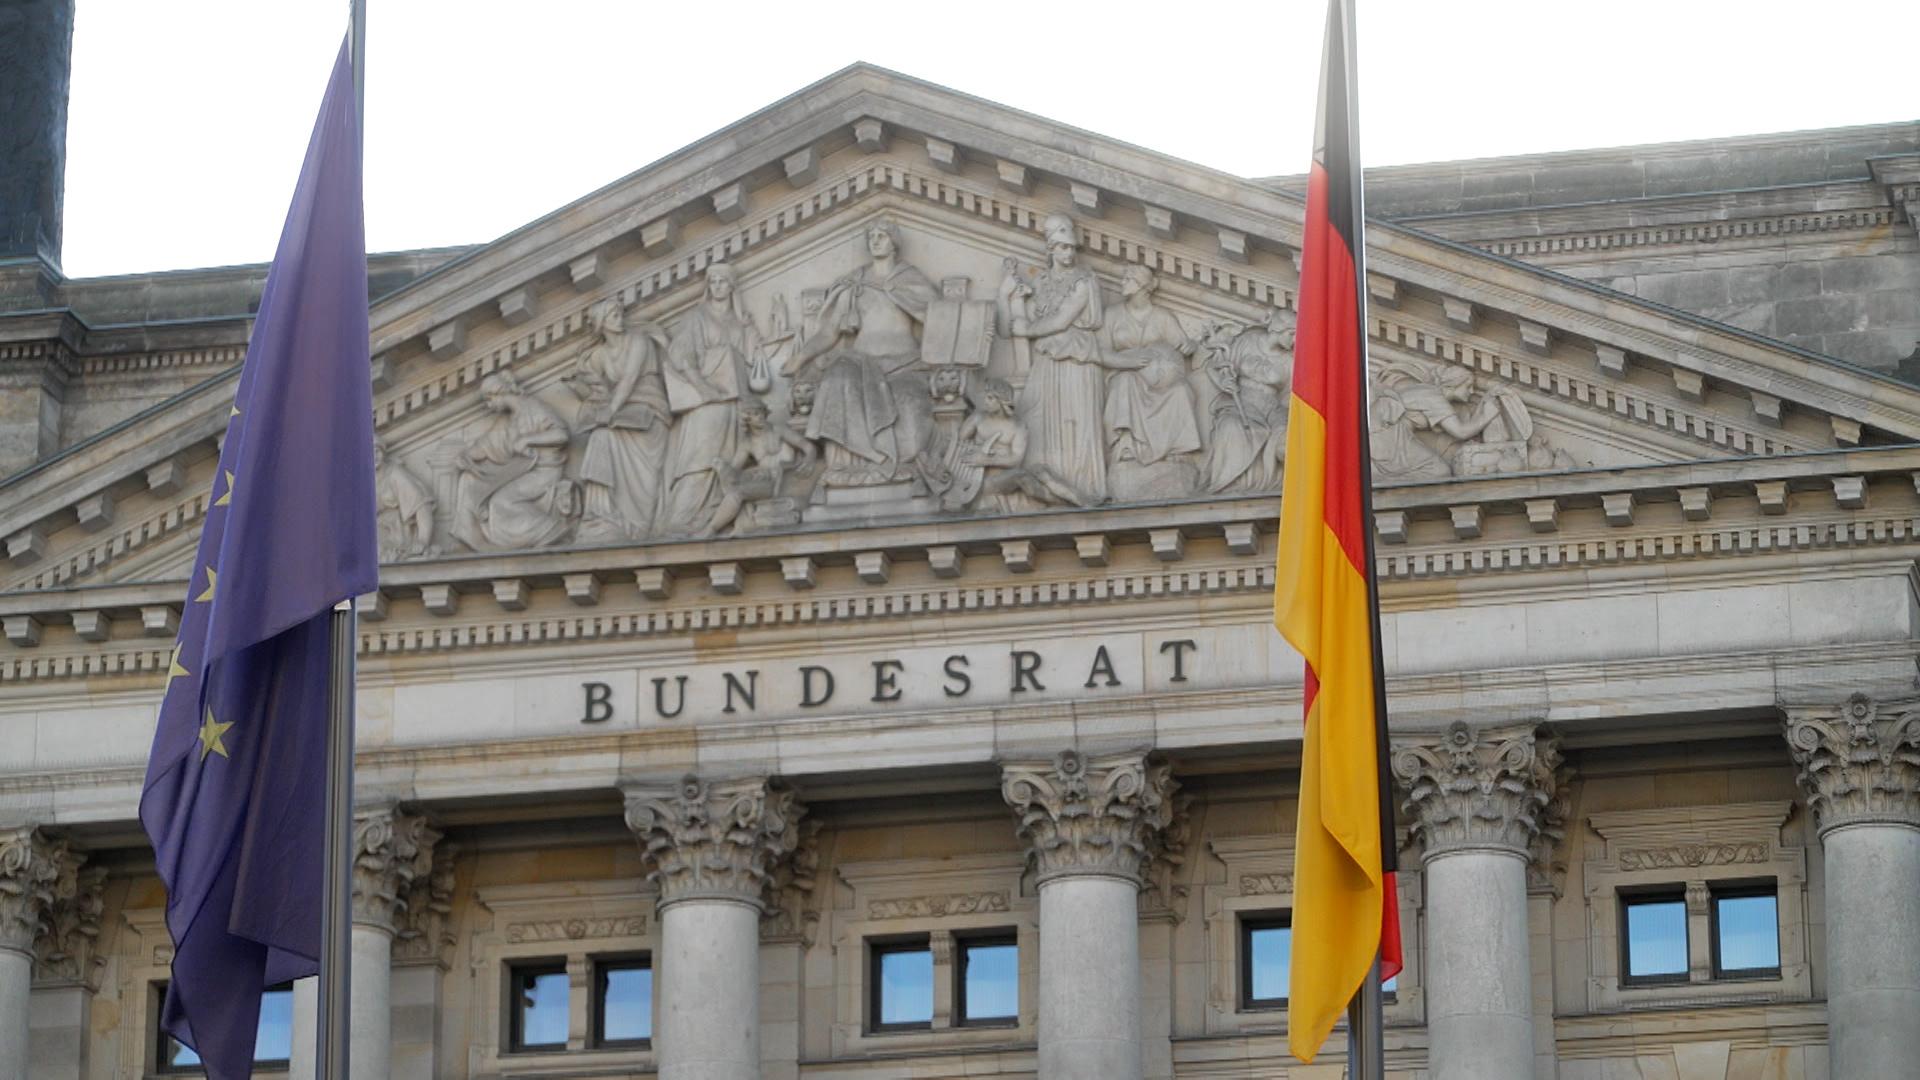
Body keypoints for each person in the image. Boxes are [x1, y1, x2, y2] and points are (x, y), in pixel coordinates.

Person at [787, 218, 939, 487]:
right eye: (872, 236)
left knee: (911, 407)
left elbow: (941, 320)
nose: (875, 241)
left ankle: (893, 463)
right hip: (860, 363)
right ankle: (846, 467)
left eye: (882, 236)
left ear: (894, 243)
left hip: (905, 366)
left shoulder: (910, 279)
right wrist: (800, 358)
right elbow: (828, 332)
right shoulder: (853, 284)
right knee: (836, 378)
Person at [1005, 214, 1122, 505]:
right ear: (1051, 249)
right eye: (1063, 247)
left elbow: (1061, 320)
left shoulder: (1085, 280)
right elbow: (1024, 320)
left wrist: (1027, 329)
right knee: (1039, 417)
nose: (1069, 253)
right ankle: (1046, 483)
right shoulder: (1041, 281)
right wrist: (1012, 296)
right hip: (1048, 359)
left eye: (1071, 247)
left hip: (1076, 359)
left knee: (1076, 421)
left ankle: (1086, 488)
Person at [659, 264, 757, 533]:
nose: (717, 286)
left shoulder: (738, 320)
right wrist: (704, 389)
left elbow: (752, 360)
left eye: (722, 281)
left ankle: (714, 515)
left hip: (734, 403)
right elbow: (681, 356)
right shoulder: (696, 316)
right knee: (700, 459)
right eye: (712, 281)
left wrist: (749, 330)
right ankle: (681, 521)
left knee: (726, 462)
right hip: (706, 403)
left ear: (732, 285)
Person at [567, 299, 670, 542]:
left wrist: (610, 410)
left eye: (619, 313)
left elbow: (629, 378)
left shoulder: (638, 340)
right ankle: (601, 515)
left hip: (649, 412)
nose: (619, 318)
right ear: (601, 323)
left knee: (644, 475)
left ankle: (639, 524)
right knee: (600, 437)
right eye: (613, 315)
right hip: (621, 417)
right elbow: (597, 391)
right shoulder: (600, 355)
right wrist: (582, 387)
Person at [450, 372, 575, 550]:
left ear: (499, 393)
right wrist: (467, 456)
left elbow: (561, 434)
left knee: (501, 502)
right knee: (469, 479)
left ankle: (550, 531)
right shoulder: (508, 419)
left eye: (489, 400)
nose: (488, 406)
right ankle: (472, 535)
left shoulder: (534, 408)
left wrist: (528, 440)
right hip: (521, 470)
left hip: (544, 472)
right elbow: (489, 443)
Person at [1101, 265, 1203, 472]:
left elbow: (1183, 344)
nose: (1122, 282)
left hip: (1159, 379)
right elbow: (1100, 352)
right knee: (1126, 381)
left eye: (1128, 279)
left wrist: (1190, 346)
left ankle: (1176, 450)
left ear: (1142, 286)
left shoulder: (1162, 316)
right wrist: (1128, 362)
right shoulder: (1112, 315)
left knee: (1181, 391)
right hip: (1124, 373)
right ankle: (1126, 445)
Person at [1203, 308, 1294, 494]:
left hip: (1273, 409)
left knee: (1289, 439)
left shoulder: (1290, 360)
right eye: (1291, 334)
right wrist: (1223, 382)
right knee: (1230, 427)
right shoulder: (1248, 341)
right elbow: (1216, 367)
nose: (1294, 340)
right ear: (1279, 329)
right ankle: (1231, 486)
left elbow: (1290, 397)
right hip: (1242, 403)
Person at [705, 400, 818, 535]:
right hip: (764, 481)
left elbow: (808, 446)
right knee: (735, 491)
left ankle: (711, 529)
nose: (759, 417)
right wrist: (722, 467)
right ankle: (712, 528)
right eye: (754, 414)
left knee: (736, 493)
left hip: (783, 479)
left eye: (760, 413)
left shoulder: (778, 430)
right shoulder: (747, 443)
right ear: (747, 419)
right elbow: (734, 472)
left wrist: (810, 459)